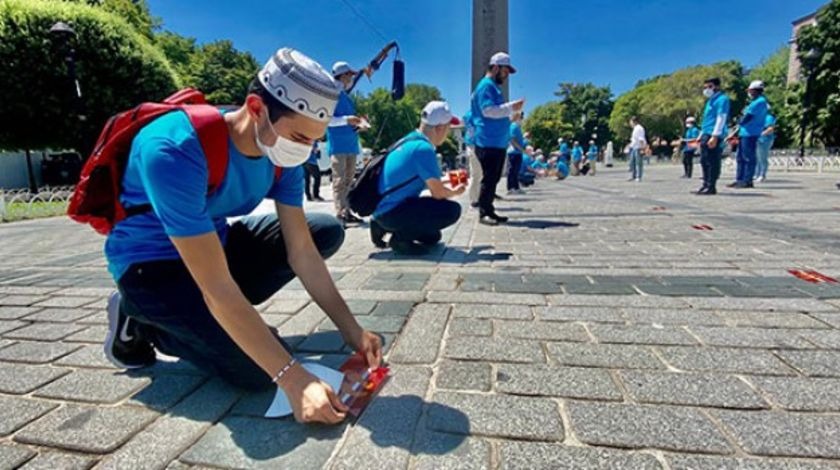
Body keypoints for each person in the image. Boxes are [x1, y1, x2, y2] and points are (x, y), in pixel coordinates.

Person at [103, 48, 382, 425]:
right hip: (152, 267)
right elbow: (217, 286)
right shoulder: (174, 149)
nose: (304, 151)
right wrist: (295, 380)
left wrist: (353, 331)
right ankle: (142, 321)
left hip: (211, 249)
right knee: (258, 373)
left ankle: (219, 322)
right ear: (256, 108)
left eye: (313, 141)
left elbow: (301, 251)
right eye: (299, 136)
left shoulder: (285, 158)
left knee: (323, 232)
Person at [369, 101, 464, 253]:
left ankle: (380, 225)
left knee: (433, 237)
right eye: (448, 129)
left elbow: (418, 181)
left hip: (383, 207)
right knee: (451, 211)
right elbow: (438, 194)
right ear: (440, 128)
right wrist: (456, 191)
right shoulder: (424, 149)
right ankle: (398, 241)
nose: (448, 134)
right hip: (391, 212)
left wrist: (447, 181)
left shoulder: (409, 140)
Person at [470, 52, 524, 226]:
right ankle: (484, 212)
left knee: (493, 178)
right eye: (505, 71)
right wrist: (511, 107)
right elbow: (488, 110)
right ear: (495, 68)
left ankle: (489, 210)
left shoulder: (492, 87)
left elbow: (496, 113)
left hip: (495, 141)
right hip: (488, 141)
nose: (506, 76)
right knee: (489, 177)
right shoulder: (486, 86)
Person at [328, 61, 367, 223]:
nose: (351, 78)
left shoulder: (346, 97)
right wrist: (346, 119)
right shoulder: (330, 94)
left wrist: (359, 124)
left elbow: (349, 121)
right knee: (339, 181)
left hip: (351, 144)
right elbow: (326, 120)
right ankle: (340, 214)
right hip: (338, 145)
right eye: (350, 75)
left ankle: (347, 211)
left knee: (349, 181)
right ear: (342, 75)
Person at [728, 80, 769, 189]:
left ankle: (747, 180)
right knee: (740, 157)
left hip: (751, 133)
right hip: (744, 132)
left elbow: (747, 117)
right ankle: (739, 179)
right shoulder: (753, 102)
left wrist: (739, 121)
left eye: (751, 91)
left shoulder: (760, 102)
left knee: (748, 157)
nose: (749, 93)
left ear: (756, 91)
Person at [696, 77, 730, 195]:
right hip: (706, 132)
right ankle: (705, 184)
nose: (706, 89)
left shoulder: (722, 99)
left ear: (717, 86)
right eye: (705, 87)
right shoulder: (710, 101)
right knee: (704, 160)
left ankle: (711, 186)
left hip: (713, 133)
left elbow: (721, 118)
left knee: (712, 160)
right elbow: (707, 119)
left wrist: (715, 136)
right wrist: (701, 134)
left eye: (709, 86)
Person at [463, 111, 482, 209]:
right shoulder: (476, 114)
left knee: (477, 174)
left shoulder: (469, 114)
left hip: (472, 145)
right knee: (477, 174)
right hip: (475, 145)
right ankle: (474, 201)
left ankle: (476, 198)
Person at [507, 112, 528, 194]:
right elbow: (513, 140)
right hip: (513, 152)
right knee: (512, 170)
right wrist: (521, 149)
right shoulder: (514, 126)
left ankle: (516, 187)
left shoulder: (517, 127)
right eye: (521, 117)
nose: (522, 119)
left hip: (517, 152)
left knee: (516, 170)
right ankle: (511, 188)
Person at [755, 111, 776, 183]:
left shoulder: (768, 117)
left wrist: (761, 134)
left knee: (762, 158)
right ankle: (757, 174)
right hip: (757, 139)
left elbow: (770, 129)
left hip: (765, 140)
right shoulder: (758, 117)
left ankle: (762, 175)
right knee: (757, 158)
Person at [628, 116, 647, 182]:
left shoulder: (639, 128)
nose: (630, 123)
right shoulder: (635, 128)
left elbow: (641, 139)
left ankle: (639, 176)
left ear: (634, 121)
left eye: (630, 122)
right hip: (633, 147)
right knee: (632, 162)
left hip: (638, 147)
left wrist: (642, 148)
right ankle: (634, 175)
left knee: (638, 163)